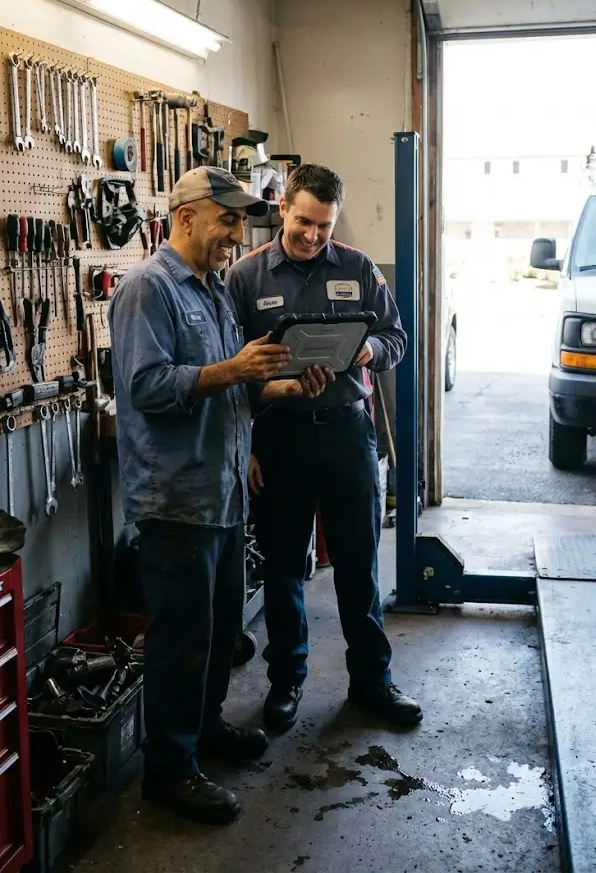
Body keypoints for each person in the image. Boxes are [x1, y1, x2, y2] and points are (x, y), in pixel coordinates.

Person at [108, 166, 332, 825]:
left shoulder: (211, 290)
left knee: (219, 632)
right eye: (227, 220)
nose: (237, 235)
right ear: (186, 217)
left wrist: (278, 386)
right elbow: (145, 387)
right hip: (176, 499)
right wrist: (233, 368)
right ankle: (168, 771)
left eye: (241, 222)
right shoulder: (148, 288)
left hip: (224, 491)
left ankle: (203, 732)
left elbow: (230, 390)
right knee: (182, 639)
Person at [226, 163, 423, 733]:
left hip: (346, 431)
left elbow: (396, 337)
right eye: (304, 222)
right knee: (284, 566)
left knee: (359, 563)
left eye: (325, 227)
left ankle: (372, 682)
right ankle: (286, 681)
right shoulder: (245, 278)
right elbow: (228, 369)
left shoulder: (359, 269)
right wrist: (246, 447)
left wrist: (367, 353)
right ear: (283, 208)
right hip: (279, 436)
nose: (313, 236)